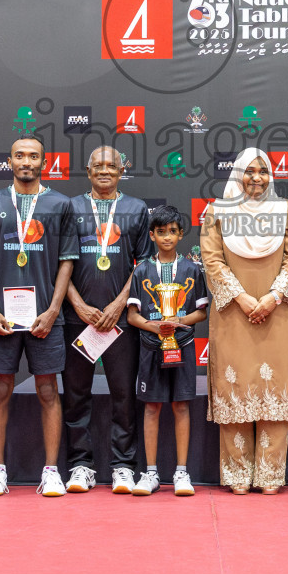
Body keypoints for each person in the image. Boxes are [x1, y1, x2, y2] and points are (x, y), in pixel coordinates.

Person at [0, 135, 78, 497]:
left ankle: (51, 471)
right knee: (0, 389)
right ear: (9, 161)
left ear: (44, 163)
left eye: (34, 156)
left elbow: (67, 263)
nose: (27, 161)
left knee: (48, 390)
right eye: (20, 155)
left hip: (45, 318)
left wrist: (52, 311)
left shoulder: (60, 204)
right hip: (1, 318)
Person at [200, 147, 288, 494]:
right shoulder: (216, 212)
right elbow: (212, 261)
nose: (256, 178)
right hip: (234, 313)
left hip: (278, 314)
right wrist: (244, 298)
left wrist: (273, 297)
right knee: (238, 389)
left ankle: (271, 476)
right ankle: (238, 475)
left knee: (274, 391)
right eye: (249, 171)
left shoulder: (283, 210)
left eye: (263, 171)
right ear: (237, 174)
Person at [62, 146, 152, 495]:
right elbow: (60, 264)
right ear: (87, 170)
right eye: (97, 165)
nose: (104, 170)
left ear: (121, 170)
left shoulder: (136, 209)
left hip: (120, 321)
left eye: (111, 166)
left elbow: (142, 264)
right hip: (77, 318)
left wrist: (119, 304)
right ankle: (80, 465)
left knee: (123, 395)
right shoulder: (70, 207)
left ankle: (123, 466)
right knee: (76, 395)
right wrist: (80, 306)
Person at [125, 204, 208, 496]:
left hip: (182, 347)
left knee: (182, 406)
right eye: (161, 232)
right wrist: (156, 326)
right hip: (151, 347)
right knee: (151, 407)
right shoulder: (142, 270)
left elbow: (202, 313)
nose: (167, 237)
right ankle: (150, 473)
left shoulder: (192, 270)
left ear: (181, 234)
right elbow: (133, 316)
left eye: (173, 231)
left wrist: (179, 321)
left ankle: (181, 473)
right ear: (152, 235)